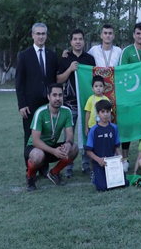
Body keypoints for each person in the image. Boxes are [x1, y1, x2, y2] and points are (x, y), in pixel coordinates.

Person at [16, 22, 59, 164]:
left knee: (46, 135)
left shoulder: (52, 56)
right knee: (30, 136)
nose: (41, 36)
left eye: (43, 34)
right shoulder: (24, 55)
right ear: (33, 35)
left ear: (46, 36)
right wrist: (22, 104)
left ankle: (43, 166)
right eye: (38, 33)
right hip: (30, 105)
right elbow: (19, 82)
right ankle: (30, 170)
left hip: (48, 104)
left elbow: (55, 79)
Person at [24, 83, 78, 191]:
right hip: (35, 148)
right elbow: (35, 140)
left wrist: (68, 143)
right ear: (49, 96)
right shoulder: (40, 112)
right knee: (38, 155)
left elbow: (70, 134)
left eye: (60, 95)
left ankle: (54, 173)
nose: (57, 98)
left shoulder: (66, 111)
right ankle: (30, 176)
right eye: (54, 95)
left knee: (74, 148)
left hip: (52, 147)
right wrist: (54, 151)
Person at [56, 28, 95, 177]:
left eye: (80, 39)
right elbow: (59, 79)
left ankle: (86, 164)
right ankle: (68, 166)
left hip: (87, 102)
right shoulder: (66, 58)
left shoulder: (89, 59)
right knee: (69, 134)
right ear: (71, 41)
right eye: (75, 39)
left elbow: (94, 78)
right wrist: (70, 69)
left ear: (84, 41)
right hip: (70, 103)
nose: (78, 41)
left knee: (87, 132)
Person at [118, 22, 141, 163]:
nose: (140, 36)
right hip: (130, 96)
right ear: (133, 35)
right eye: (138, 33)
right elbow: (121, 73)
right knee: (127, 127)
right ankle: (125, 159)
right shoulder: (126, 51)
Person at [85, 99, 127, 191]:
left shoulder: (114, 128)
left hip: (112, 162)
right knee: (103, 188)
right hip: (99, 162)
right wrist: (98, 160)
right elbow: (88, 151)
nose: (105, 114)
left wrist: (120, 156)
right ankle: (95, 178)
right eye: (102, 112)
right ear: (98, 113)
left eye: (107, 111)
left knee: (123, 184)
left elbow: (116, 146)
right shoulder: (94, 130)